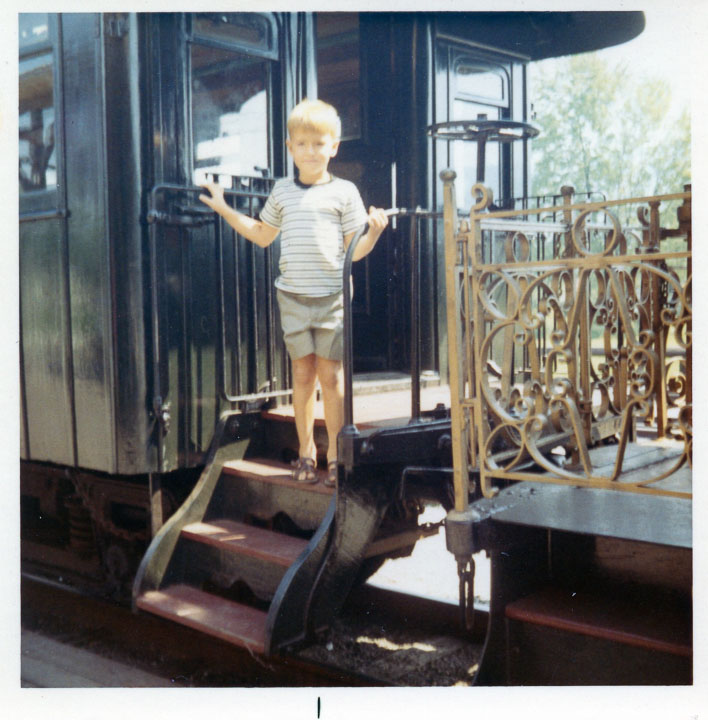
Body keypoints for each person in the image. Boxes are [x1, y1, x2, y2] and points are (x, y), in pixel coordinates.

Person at [199, 98, 388, 487]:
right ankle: (306, 452)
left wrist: (374, 233)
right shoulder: (283, 192)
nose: (310, 151)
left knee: (331, 378)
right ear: (290, 147)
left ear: (334, 147)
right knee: (303, 376)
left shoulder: (345, 192)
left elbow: (355, 251)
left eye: (319, 144)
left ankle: (336, 457)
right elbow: (262, 235)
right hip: (294, 299)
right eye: (302, 144)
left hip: (332, 300)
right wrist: (224, 209)